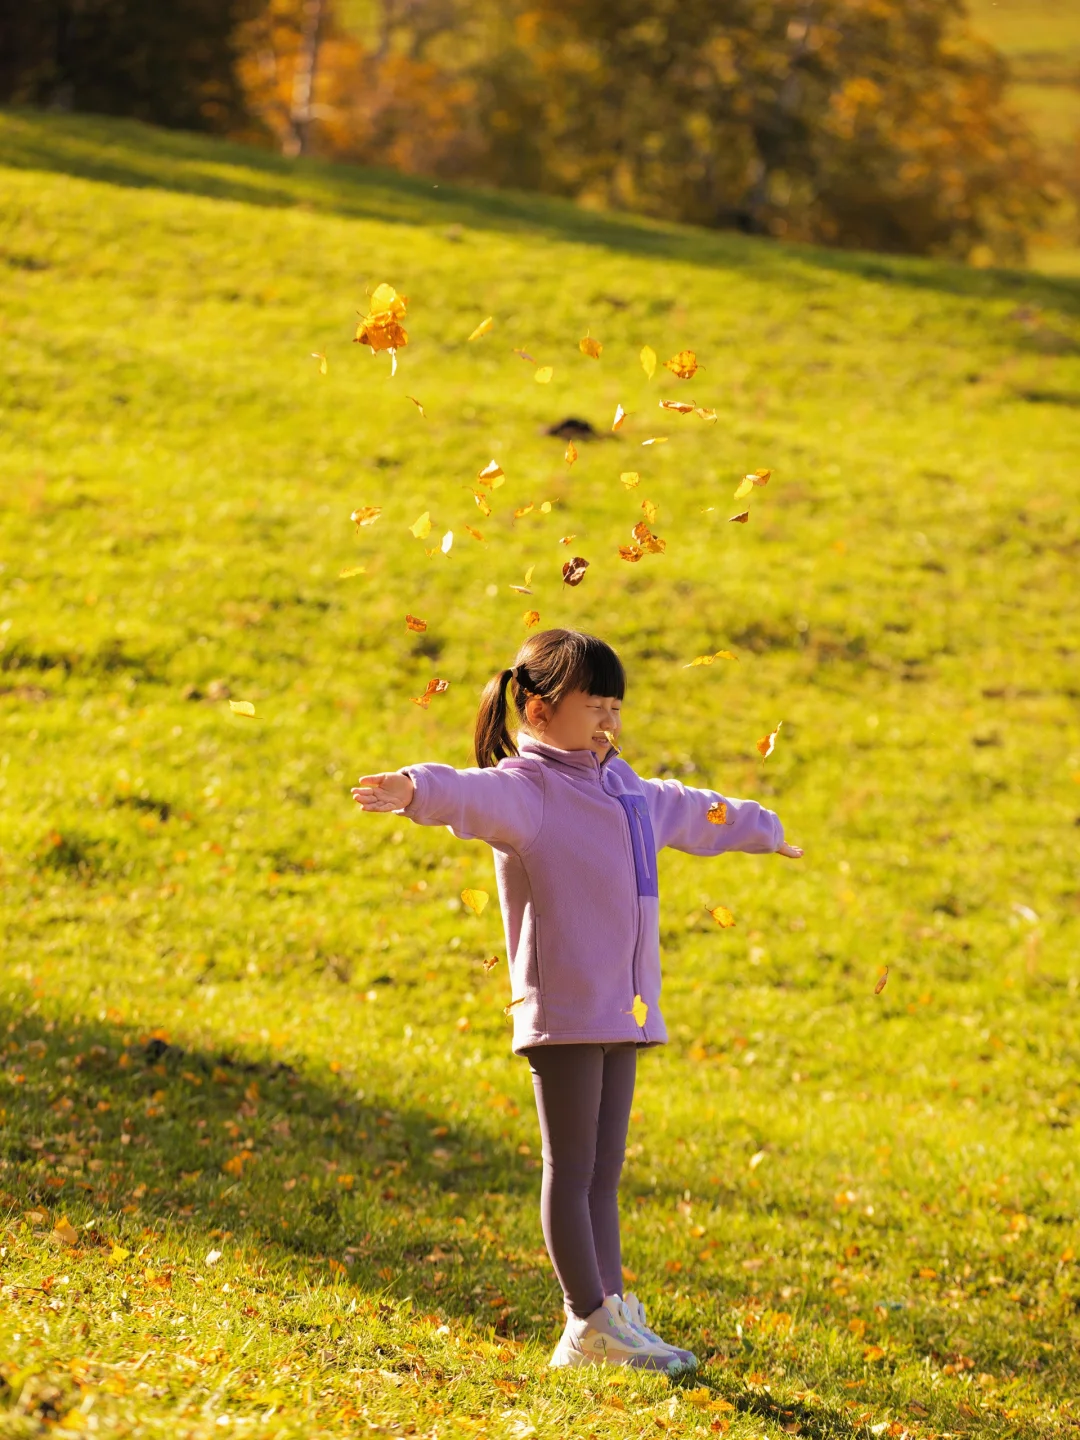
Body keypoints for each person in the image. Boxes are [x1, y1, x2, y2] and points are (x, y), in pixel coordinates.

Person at [351, 629, 802, 1371]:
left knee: (604, 1171)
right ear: (537, 708)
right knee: (571, 1166)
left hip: (622, 1011)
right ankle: (585, 1320)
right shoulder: (528, 794)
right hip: (563, 1010)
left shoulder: (627, 790)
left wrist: (765, 829)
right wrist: (411, 789)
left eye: (615, 708)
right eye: (594, 707)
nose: (608, 723)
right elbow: (466, 789)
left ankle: (611, 1313)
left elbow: (696, 810)